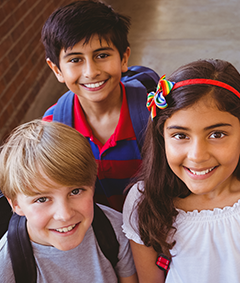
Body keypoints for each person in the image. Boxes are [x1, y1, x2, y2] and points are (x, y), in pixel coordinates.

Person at [122, 59, 240, 283]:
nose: (197, 155)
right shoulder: (145, 201)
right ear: (162, 137)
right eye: (181, 136)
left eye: (217, 134)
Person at [41, 0, 158, 212]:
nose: (91, 71)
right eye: (75, 60)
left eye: (102, 56)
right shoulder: (53, 127)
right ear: (57, 69)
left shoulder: (154, 112)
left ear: (124, 59)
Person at [0, 119, 137, 283]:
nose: (64, 215)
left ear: (92, 185)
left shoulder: (115, 230)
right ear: (16, 204)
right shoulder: (3, 269)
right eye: (42, 199)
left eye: (75, 191)